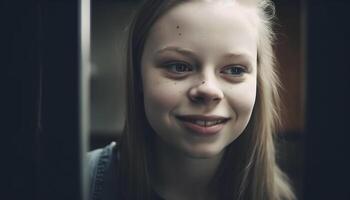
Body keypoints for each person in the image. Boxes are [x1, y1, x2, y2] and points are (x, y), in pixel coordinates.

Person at [88, 0, 296, 199]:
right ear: (138, 76)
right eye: (179, 67)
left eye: (235, 69)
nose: (208, 90)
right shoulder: (78, 182)